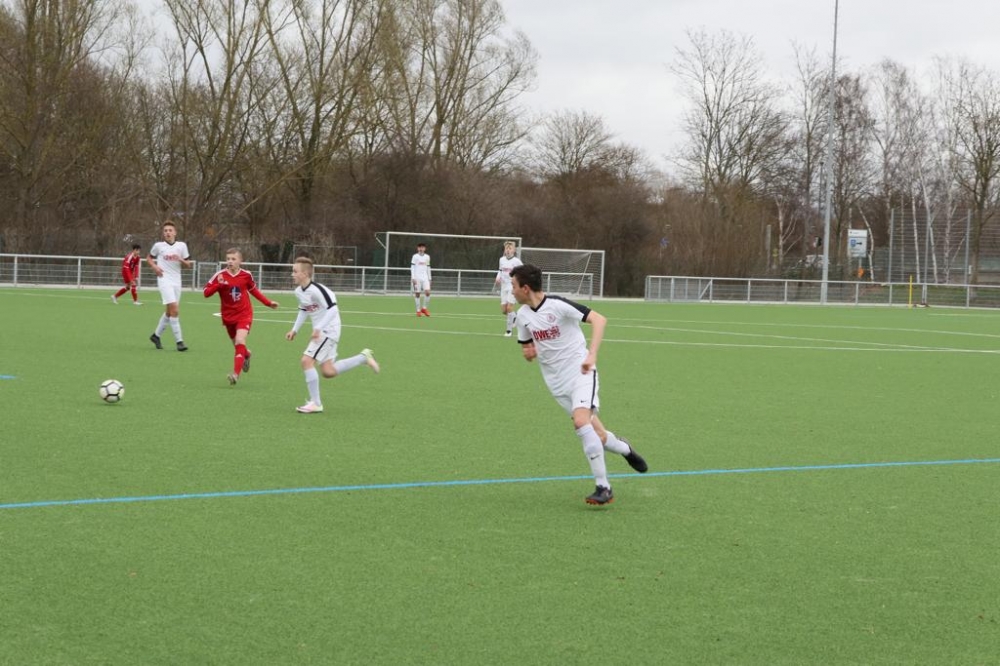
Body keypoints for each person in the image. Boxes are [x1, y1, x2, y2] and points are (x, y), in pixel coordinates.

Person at [510, 263, 647, 505]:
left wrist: (591, 355)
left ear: (525, 288)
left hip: (581, 372)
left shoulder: (558, 305)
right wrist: (528, 351)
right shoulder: (522, 316)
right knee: (598, 435)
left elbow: (599, 319)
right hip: (556, 383)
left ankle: (603, 487)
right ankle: (625, 449)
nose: (511, 291)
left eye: (513, 286)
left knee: (581, 422)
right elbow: (526, 344)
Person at [286, 257, 380, 413]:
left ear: (305, 273)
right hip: (323, 331)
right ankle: (363, 358)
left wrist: (318, 328)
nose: (292, 274)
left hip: (328, 330)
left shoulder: (318, 290)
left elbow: (333, 309)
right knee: (328, 371)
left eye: (295, 271)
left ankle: (316, 403)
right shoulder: (298, 291)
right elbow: (303, 310)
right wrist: (294, 330)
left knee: (306, 361)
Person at [203, 248, 280, 385]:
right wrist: (218, 285)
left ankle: (235, 375)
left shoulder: (246, 275)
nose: (230, 261)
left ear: (240, 261)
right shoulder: (220, 275)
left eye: (233, 259)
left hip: (244, 314)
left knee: (240, 340)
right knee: (238, 346)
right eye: (228, 259)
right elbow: (206, 293)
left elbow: (254, 291)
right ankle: (247, 354)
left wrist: (268, 303)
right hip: (228, 316)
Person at [147, 221, 193, 351]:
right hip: (164, 279)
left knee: (170, 311)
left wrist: (180, 259)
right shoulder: (158, 246)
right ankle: (180, 342)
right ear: (163, 233)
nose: (167, 232)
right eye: (165, 230)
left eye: (170, 230)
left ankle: (156, 336)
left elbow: (189, 265)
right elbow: (149, 258)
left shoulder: (182, 246)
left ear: (175, 232)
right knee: (175, 310)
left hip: (177, 281)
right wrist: (155, 267)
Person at [495, 241, 523, 336]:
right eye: (506, 248)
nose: (508, 250)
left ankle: (508, 331)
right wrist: (498, 277)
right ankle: (516, 317)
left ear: (514, 250)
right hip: (504, 286)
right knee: (504, 310)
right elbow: (500, 270)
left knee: (509, 308)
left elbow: (523, 271)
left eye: (510, 248)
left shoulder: (517, 261)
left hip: (512, 286)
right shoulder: (501, 259)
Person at [410, 242, 432, 316]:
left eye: (422, 247)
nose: (421, 248)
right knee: (417, 294)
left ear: (425, 248)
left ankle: (424, 308)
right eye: (419, 247)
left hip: (425, 277)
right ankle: (418, 310)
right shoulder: (415, 256)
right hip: (417, 278)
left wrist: (430, 278)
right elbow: (412, 267)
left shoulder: (427, 257)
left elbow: (428, 267)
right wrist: (413, 278)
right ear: (417, 248)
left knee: (428, 292)